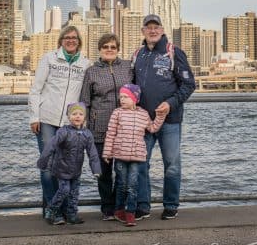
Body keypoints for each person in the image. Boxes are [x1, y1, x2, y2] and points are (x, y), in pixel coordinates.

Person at [133, 14, 196, 220]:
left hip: (170, 120)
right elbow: (131, 88)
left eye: (156, 27)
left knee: (172, 164)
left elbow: (188, 85)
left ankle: (170, 204)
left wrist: (170, 103)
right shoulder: (137, 55)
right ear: (143, 31)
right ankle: (143, 205)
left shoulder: (173, 52)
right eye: (148, 27)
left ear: (162, 30)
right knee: (141, 163)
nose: (152, 30)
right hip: (144, 121)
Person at [29, 25, 90, 221]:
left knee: (66, 168)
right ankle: (52, 210)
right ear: (61, 40)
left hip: (69, 123)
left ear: (79, 42)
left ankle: (65, 210)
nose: (71, 40)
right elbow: (35, 90)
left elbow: (86, 96)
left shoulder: (85, 64)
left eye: (74, 38)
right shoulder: (49, 59)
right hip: (46, 119)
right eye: (67, 37)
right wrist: (34, 117)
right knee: (47, 166)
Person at [78, 33, 133, 221]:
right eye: (105, 47)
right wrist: (82, 126)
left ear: (118, 49)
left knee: (123, 170)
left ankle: (120, 207)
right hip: (99, 126)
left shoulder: (127, 67)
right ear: (100, 50)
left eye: (113, 47)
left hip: (125, 127)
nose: (109, 50)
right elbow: (84, 100)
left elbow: (136, 93)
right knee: (104, 171)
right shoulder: (91, 71)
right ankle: (107, 209)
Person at [102, 84, 166, 227]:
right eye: (121, 97)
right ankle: (119, 210)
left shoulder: (143, 114)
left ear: (135, 98)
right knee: (121, 184)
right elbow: (111, 133)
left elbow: (153, 128)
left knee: (132, 185)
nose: (122, 100)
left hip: (137, 157)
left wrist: (160, 116)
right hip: (120, 155)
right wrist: (107, 153)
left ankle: (130, 213)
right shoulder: (117, 113)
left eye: (125, 97)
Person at [36, 102, 102, 225]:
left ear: (84, 117)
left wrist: (96, 169)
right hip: (61, 169)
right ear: (68, 116)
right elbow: (51, 145)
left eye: (81, 114)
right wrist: (43, 161)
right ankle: (51, 209)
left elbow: (92, 153)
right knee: (64, 190)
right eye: (74, 114)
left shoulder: (87, 134)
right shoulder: (63, 131)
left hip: (76, 170)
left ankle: (72, 214)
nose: (77, 116)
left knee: (74, 193)